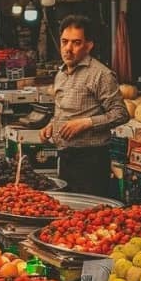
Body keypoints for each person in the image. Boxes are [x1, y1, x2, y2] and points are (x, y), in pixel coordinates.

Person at [39, 14, 129, 197]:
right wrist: (51, 125)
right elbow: (64, 110)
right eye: (64, 42)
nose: (68, 48)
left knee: (90, 211)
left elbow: (121, 113)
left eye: (76, 43)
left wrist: (86, 123)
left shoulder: (101, 75)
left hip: (91, 160)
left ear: (88, 46)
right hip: (65, 157)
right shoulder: (61, 74)